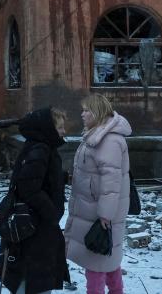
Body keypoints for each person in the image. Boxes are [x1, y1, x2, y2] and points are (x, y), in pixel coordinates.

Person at [0, 107, 70, 294]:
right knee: (34, 277)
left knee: (33, 276)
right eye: (60, 127)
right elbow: (28, 186)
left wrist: (61, 178)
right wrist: (51, 212)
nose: (64, 131)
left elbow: (38, 178)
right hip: (36, 226)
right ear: (49, 128)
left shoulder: (41, 147)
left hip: (36, 225)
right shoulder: (41, 149)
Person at [65, 94, 132, 294]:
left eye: (87, 110)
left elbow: (111, 182)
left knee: (96, 262)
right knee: (105, 258)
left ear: (98, 112)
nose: (82, 114)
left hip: (99, 214)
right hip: (93, 209)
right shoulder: (97, 134)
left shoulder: (108, 140)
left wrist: (105, 214)